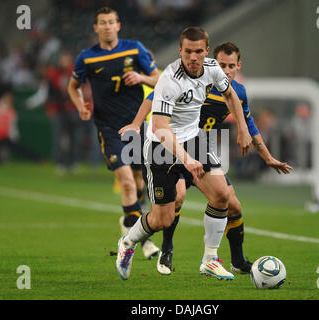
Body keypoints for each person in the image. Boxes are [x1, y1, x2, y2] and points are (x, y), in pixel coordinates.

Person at [120, 42, 292, 276]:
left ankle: (224, 260)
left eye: (231, 66)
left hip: (200, 148)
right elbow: (153, 98)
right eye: (222, 65)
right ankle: (164, 249)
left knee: (229, 201)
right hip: (170, 145)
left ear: (238, 66)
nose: (226, 70)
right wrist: (136, 124)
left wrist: (268, 157)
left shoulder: (236, 91)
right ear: (213, 61)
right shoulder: (193, 79)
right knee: (173, 204)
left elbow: (250, 127)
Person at [115, 27, 253, 281]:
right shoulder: (170, 79)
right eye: (188, 51)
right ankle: (128, 242)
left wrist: (243, 129)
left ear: (206, 52)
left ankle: (210, 260)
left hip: (193, 139)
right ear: (180, 51)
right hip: (161, 147)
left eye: (198, 51)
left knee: (222, 195)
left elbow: (231, 95)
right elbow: (159, 127)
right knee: (162, 219)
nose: (193, 57)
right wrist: (187, 160)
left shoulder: (212, 68)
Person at [67, 7, 161, 259]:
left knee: (140, 182)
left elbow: (160, 79)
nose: (107, 26)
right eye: (102, 23)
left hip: (135, 126)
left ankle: (129, 222)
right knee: (127, 183)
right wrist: (80, 107)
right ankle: (144, 243)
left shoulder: (134, 49)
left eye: (111, 22)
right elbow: (72, 86)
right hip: (108, 129)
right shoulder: (87, 57)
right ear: (95, 28)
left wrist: (141, 77)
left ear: (118, 25)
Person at [0, 82, 39, 163]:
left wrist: (14, 139)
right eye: (8, 96)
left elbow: (12, 128)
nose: (10, 98)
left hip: (5, 138)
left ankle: (37, 159)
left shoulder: (11, 111)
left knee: (19, 147)